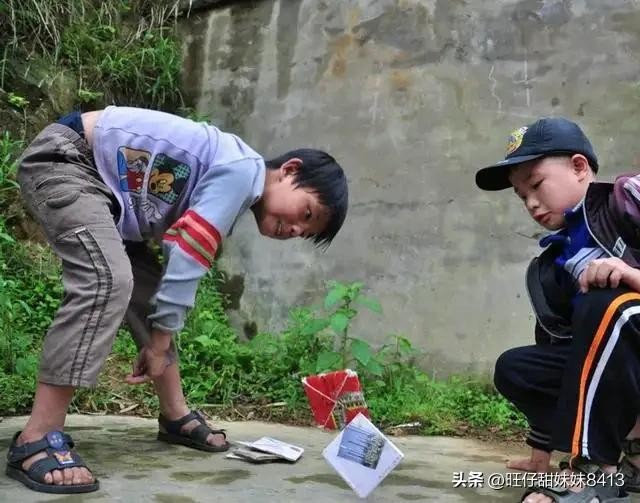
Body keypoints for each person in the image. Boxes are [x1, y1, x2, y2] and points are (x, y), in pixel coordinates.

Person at [6, 106, 349, 494]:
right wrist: (158, 343)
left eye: (306, 231)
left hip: (110, 196)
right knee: (108, 279)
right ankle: (37, 437)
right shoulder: (243, 171)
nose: (297, 229)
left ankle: (174, 413)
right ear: (289, 170)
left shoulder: (236, 176)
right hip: (69, 160)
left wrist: (161, 335)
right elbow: (188, 252)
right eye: (306, 212)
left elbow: (178, 252)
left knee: (152, 292)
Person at [475, 117, 640, 502]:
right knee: (518, 367)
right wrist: (540, 453)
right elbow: (569, 356)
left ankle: (594, 468)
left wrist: (632, 275)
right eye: (522, 196)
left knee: (611, 306)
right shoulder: (555, 264)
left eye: (536, 184)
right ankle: (632, 456)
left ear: (579, 167)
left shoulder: (629, 197)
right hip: (622, 366)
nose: (531, 202)